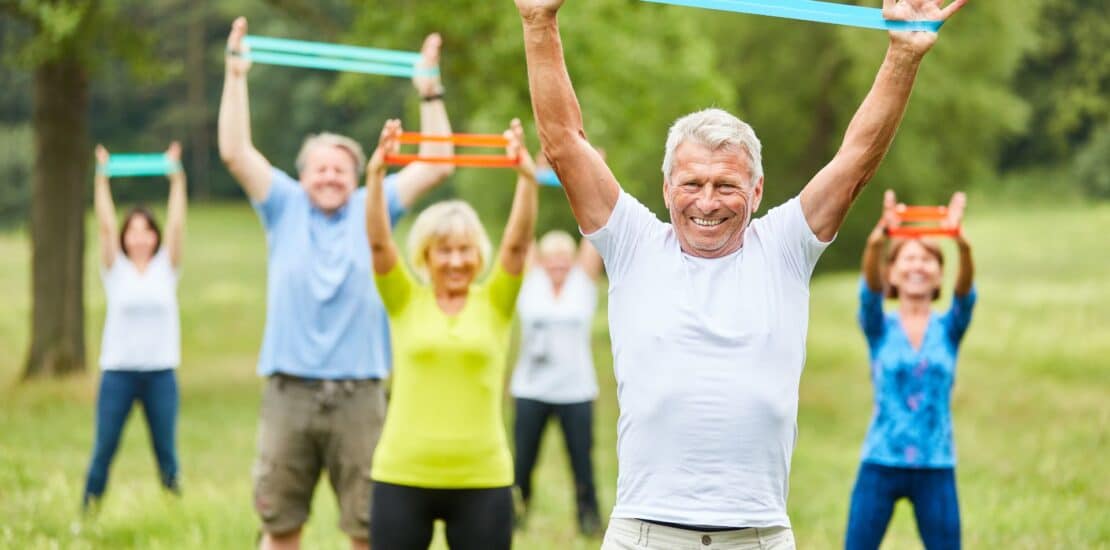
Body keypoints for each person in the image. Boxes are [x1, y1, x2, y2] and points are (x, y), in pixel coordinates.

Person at [512, 0, 969, 547]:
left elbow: (856, 162)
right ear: (666, 189)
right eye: (692, 183)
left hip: (758, 535)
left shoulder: (784, 247)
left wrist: (902, 57)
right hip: (645, 532)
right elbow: (564, 144)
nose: (707, 201)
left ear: (755, 191)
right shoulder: (633, 242)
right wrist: (538, 22)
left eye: (726, 185)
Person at [218, 17, 454, 550]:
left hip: (360, 395)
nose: (329, 178)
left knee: (368, 532)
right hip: (288, 393)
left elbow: (438, 162)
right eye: (320, 170)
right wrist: (235, 75)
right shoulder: (282, 205)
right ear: (301, 177)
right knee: (280, 529)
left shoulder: (376, 207)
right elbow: (235, 152)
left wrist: (429, 89)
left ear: (358, 177)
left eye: (340, 170)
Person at [364, 118, 538, 550]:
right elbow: (379, 246)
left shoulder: (496, 300)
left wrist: (526, 180)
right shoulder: (404, 298)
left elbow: (516, 246)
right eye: (445, 250)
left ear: (478, 254)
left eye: (465, 249)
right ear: (426, 254)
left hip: (483, 477)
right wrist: (375, 175)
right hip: (402, 473)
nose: (456, 260)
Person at [845, 190, 976, 550]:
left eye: (928, 260)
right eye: (908, 258)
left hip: (936, 463)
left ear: (939, 277)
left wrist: (961, 246)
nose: (918, 265)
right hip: (880, 460)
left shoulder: (949, 328)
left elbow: (966, 294)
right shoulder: (878, 326)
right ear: (892, 274)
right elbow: (868, 292)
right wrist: (879, 239)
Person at [83, 142, 187, 511]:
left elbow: (177, 224)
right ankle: (88, 511)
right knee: (104, 447)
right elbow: (105, 227)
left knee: (166, 451)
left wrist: (176, 178)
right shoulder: (116, 270)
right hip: (118, 373)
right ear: (126, 237)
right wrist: (102, 177)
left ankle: (176, 513)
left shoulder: (166, 268)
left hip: (160, 374)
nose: (140, 237)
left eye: (147, 231)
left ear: (155, 236)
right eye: (133, 231)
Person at [510, 231, 604, 535]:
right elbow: (521, 235)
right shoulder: (530, 281)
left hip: (575, 392)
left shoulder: (583, 283)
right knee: (523, 461)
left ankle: (589, 523)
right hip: (530, 391)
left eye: (564, 259)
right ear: (541, 261)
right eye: (552, 259)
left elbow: (594, 228)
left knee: (582, 463)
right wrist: (530, 183)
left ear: (573, 260)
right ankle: (514, 518)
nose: (558, 266)